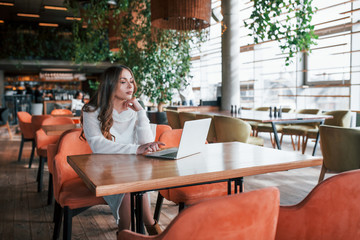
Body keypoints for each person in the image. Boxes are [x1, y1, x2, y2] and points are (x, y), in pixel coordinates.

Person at [81, 66, 163, 235]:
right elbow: (97, 145)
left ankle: (135, 231)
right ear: (110, 85)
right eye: (123, 81)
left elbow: (145, 143)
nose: (130, 86)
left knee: (135, 183)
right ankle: (148, 228)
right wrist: (137, 149)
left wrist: (140, 112)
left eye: (131, 81)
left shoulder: (134, 111)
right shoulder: (91, 111)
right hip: (104, 171)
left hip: (132, 170)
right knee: (128, 188)